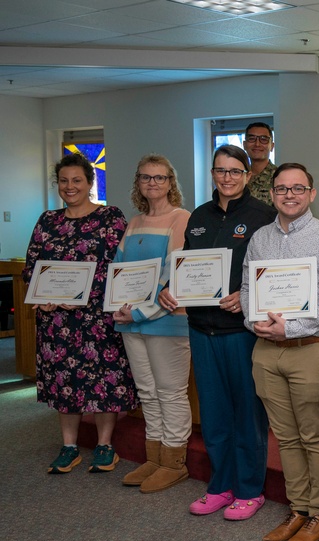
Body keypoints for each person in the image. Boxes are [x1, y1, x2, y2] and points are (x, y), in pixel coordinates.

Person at [159, 145, 272, 521]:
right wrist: (170, 286)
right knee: (214, 414)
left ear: (247, 175)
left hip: (239, 332)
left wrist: (248, 294)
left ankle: (250, 489)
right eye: (220, 171)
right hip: (200, 329)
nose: (227, 177)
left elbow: (273, 274)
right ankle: (221, 485)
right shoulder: (199, 218)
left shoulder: (264, 216)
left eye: (235, 171)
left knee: (247, 413)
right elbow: (187, 266)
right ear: (212, 173)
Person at [243, 163, 319, 541]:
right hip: (265, 351)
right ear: (271, 193)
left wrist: (290, 328)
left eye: (298, 188)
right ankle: (298, 509)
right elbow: (245, 288)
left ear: (311, 193)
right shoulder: (259, 239)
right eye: (282, 189)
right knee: (286, 437)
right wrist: (253, 319)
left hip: (308, 349)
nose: (290, 195)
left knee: (312, 434)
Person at [24, 152, 139, 473]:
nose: (70, 186)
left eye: (77, 180)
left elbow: (119, 267)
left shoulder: (110, 217)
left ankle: (104, 445)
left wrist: (77, 295)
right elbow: (32, 266)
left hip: (97, 320)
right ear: (57, 184)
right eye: (64, 181)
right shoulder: (48, 220)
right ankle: (69, 446)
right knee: (65, 384)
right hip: (56, 322)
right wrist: (43, 296)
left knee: (103, 382)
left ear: (90, 183)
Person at [112, 154, 193, 493]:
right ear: (138, 183)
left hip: (167, 322)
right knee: (147, 392)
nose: (153, 183)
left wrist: (141, 312)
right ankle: (154, 455)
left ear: (171, 183)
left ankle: (174, 462)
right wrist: (117, 306)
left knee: (170, 392)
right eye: (146, 177)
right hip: (131, 322)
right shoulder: (134, 221)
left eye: (160, 178)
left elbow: (171, 275)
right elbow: (119, 269)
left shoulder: (181, 219)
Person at [244, 122, 276, 206]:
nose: (257, 144)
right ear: (244, 145)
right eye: (252, 139)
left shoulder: (280, 177)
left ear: (272, 146)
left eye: (264, 139)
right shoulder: (238, 177)